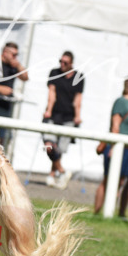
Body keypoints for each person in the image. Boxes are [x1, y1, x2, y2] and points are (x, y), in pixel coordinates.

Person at [93, 77, 128, 216]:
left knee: (122, 182)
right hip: (118, 148)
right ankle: (97, 213)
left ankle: (117, 213)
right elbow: (116, 126)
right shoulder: (121, 102)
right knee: (108, 180)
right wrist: (115, 147)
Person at [42, 51, 84, 188]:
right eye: (61, 61)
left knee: (59, 150)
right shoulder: (54, 73)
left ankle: (52, 175)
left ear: (71, 63)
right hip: (53, 115)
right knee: (49, 146)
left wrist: (78, 116)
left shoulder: (79, 77)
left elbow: (78, 99)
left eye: (65, 62)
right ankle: (62, 171)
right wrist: (48, 110)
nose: (62, 64)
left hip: (68, 117)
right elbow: (51, 93)